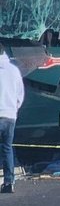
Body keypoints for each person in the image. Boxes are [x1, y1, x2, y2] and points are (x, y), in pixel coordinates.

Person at [0, 48, 22, 194]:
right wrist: (14, 109)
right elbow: (20, 94)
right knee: (7, 148)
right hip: (10, 115)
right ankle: (9, 181)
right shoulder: (14, 71)